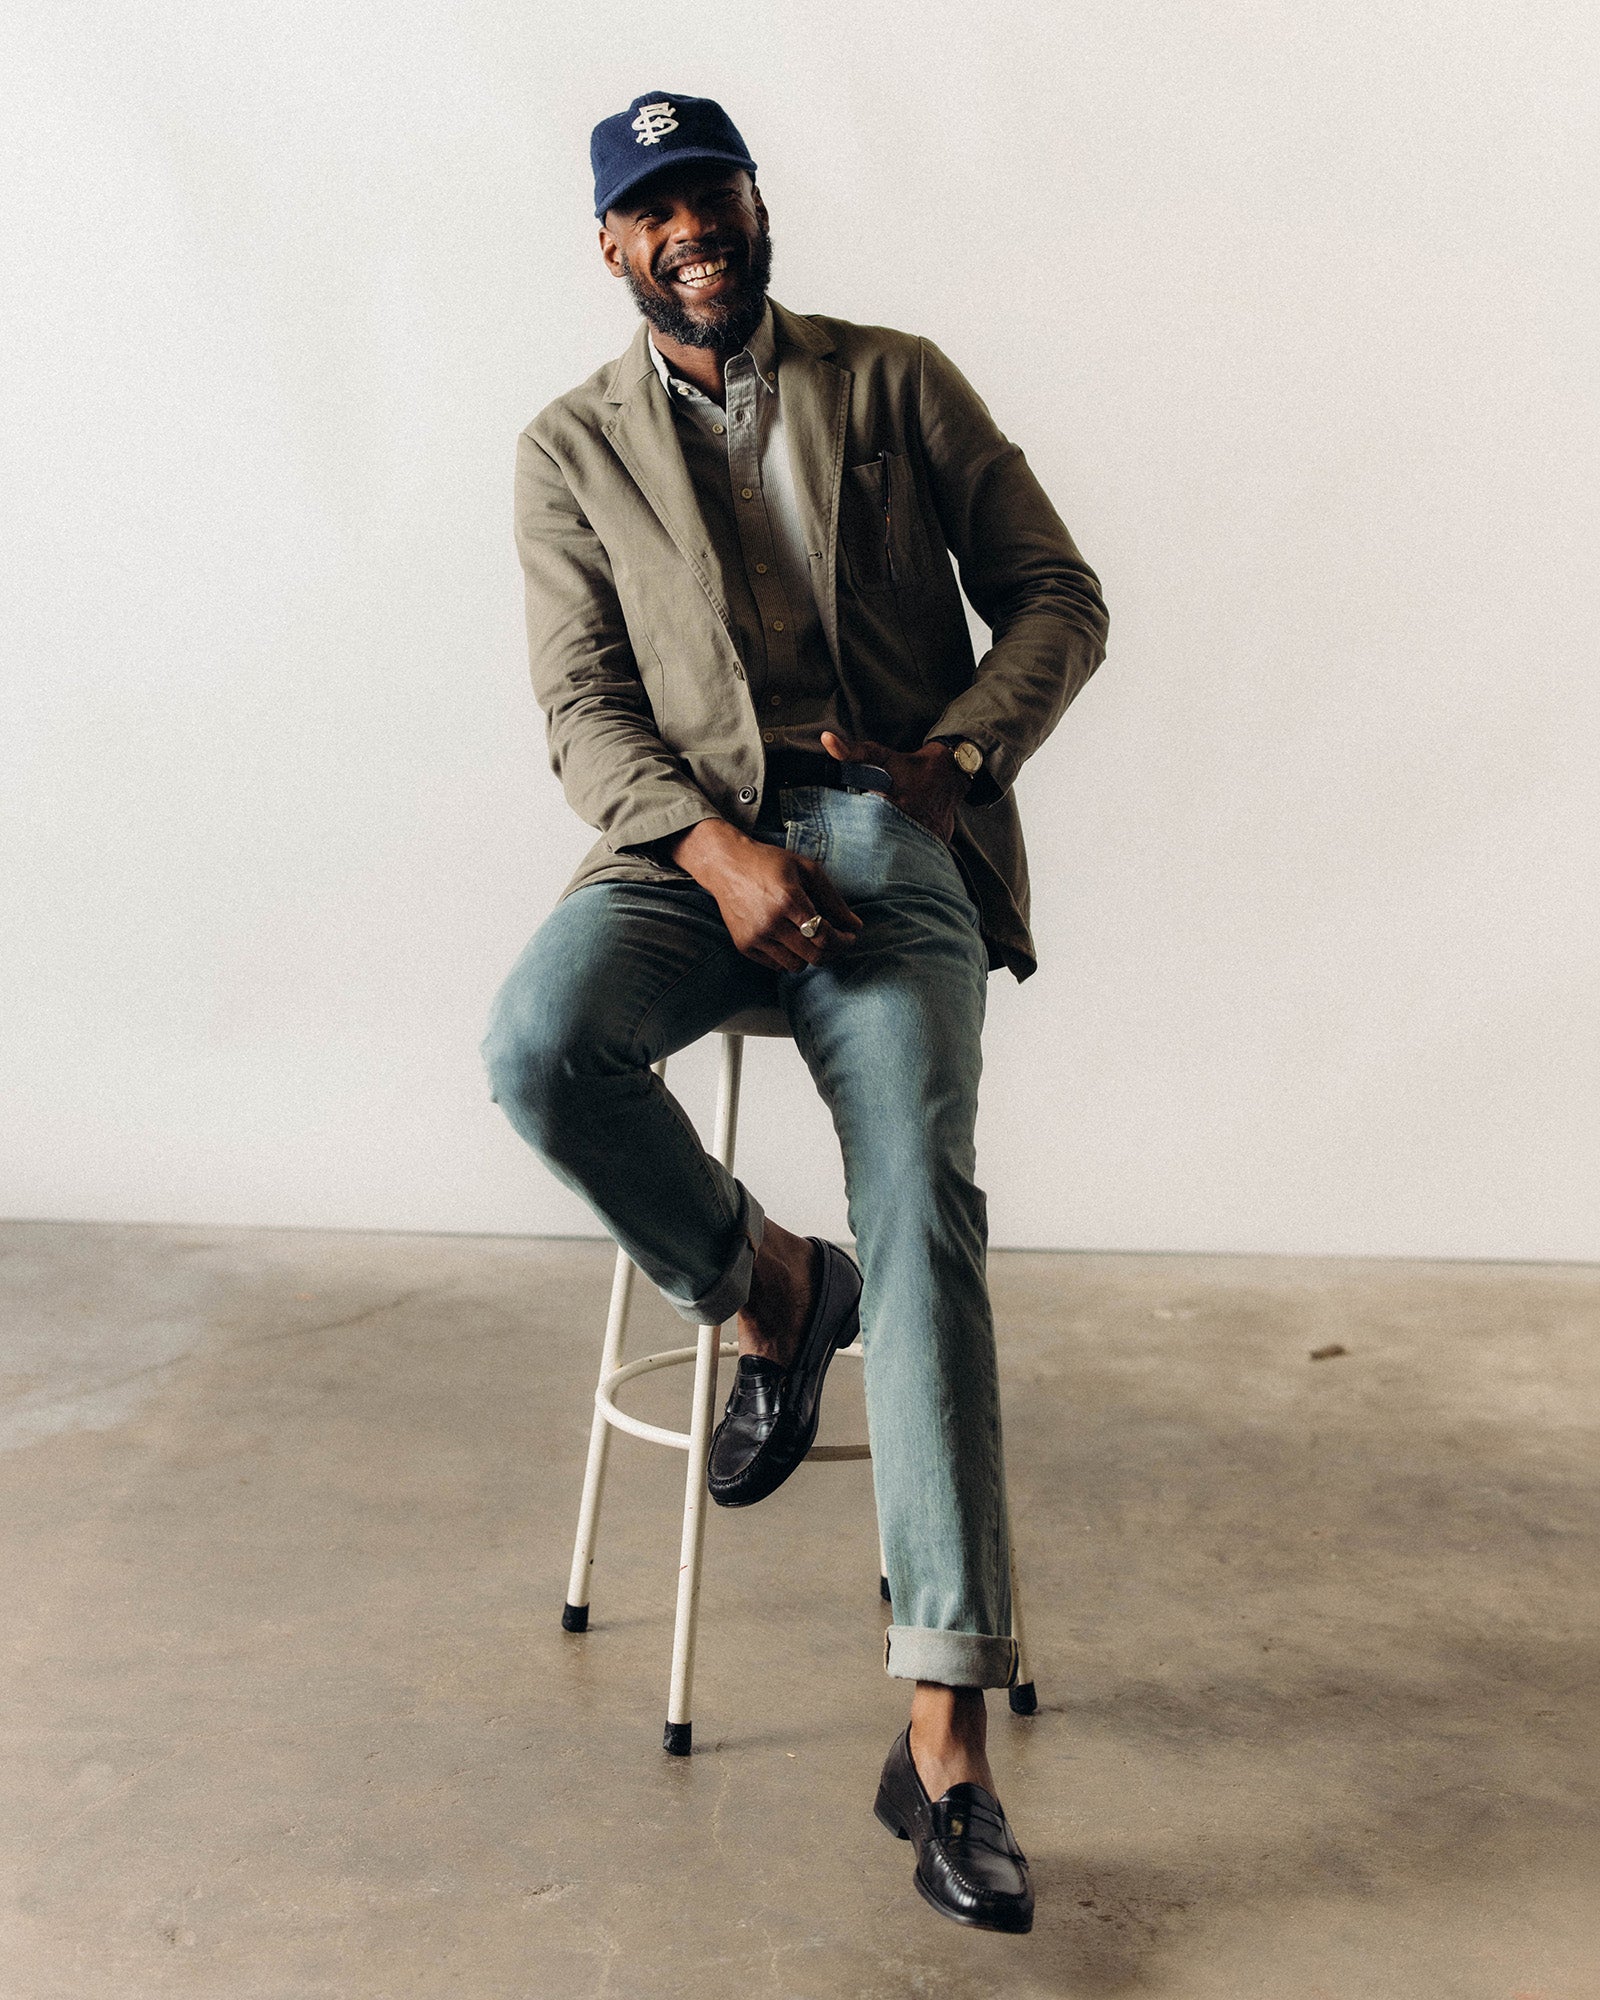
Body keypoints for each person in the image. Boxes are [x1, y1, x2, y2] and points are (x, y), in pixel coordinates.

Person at [482, 90, 1108, 1934]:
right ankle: (768, 1287)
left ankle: (944, 1744)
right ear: (613, 244)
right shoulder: (567, 447)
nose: (692, 227)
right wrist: (712, 850)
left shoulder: (895, 382)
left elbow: (1058, 593)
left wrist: (958, 764)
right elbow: (584, 708)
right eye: (653, 207)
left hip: (891, 835)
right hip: (686, 846)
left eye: (715, 192)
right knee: (535, 1049)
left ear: (758, 205)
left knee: (922, 1207)